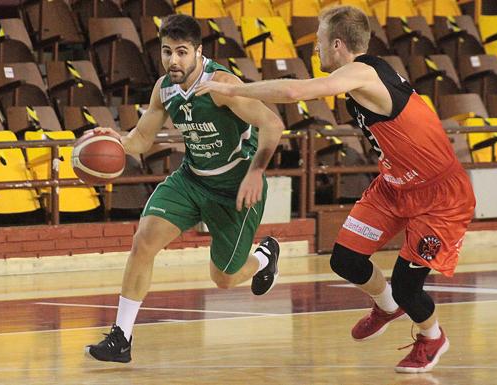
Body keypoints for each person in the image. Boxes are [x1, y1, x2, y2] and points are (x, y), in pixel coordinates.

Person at [196, 5, 475, 373]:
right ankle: (387, 306)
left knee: (410, 287)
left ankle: (431, 336)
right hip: (395, 184)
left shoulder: (361, 73)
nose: (316, 49)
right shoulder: (363, 73)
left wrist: (229, 88)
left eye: (319, 42)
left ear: (338, 44)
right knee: (345, 259)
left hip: (439, 196)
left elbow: (297, 90)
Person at [86, 14, 285, 363]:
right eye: (167, 52)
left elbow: (273, 124)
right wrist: (114, 140)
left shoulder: (222, 84)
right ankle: (121, 338)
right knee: (144, 241)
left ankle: (265, 256)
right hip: (192, 179)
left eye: (181, 52)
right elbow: (142, 139)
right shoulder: (164, 88)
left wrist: (257, 172)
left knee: (223, 279)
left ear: (198, 51)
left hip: (236, 188)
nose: (173, 60)